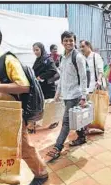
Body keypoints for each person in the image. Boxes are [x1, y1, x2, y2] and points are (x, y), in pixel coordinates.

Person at [0, 21, 48, 185]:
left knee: (25, 149)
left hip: (10, 117)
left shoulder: (7, 59)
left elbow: (24, 85)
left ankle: (41, 173)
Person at [46, 31, 88, 162]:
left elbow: (83, 77)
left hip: (75, 94)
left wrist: (84, 96)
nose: (68, 43)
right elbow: (62, 77)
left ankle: (57, 147)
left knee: (66, 122)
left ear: (74, 41)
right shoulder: (62, 58)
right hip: (66, 94)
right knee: (75, 118)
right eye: (66, 40)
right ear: (62, 42)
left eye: (71, 40)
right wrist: (58, 93)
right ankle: (82, 137)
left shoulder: (78, 57)